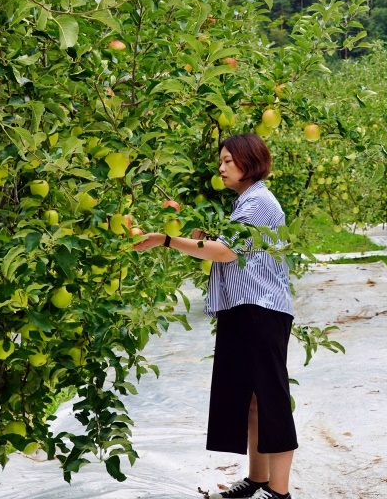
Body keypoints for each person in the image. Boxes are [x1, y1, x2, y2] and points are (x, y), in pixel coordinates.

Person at [133, 132, 297, 499]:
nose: (221, 168)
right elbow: (216, 246)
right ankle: (257, 480)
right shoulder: (243, 204)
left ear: (249, 161)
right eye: (220, 161)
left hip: (261, 310)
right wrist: (191, 229)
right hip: (243, 310)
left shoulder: (258, 203)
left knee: (270, 398)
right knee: (251, 398)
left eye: (228, 161)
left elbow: (225, 253)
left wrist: (165, 239)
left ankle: (279, 492)